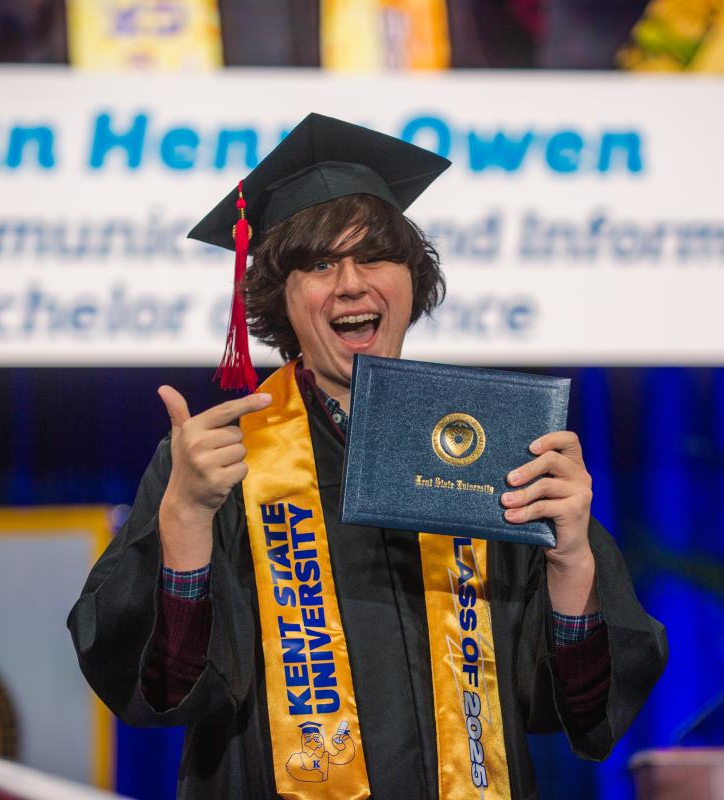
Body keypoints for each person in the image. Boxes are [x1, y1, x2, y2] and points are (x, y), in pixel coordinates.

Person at [68, 113, 667, 799]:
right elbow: (161, 693)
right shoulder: (216, 461)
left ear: (412, 283)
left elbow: (580, 709)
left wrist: (571, 560)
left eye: (374, 257)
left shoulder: (490, 446)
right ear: (281, 299)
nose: (351, 284)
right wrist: (184, 522)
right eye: (320, 264)